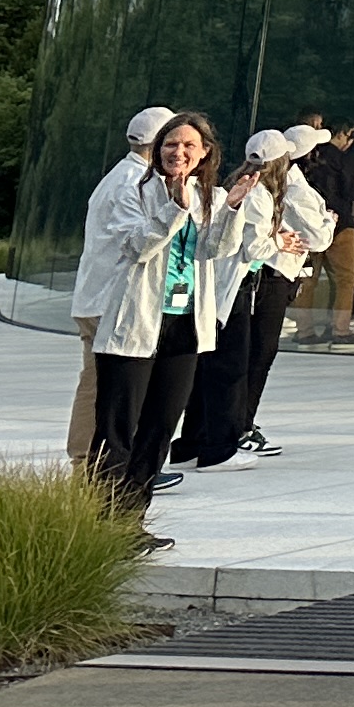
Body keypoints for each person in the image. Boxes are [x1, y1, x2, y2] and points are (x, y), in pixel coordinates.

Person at [88, 110, 240, 530]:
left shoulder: (210, 194)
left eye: (189, 145)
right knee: (117, 429)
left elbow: (216, 251)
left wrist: (234, 209)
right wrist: (174, 208)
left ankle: (131, 522)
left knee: (158, 429)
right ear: (156, 151)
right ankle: (101, 523)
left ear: (205, 152)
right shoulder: (133, 189)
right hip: (136, 322)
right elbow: (137, 246)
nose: (179, 152)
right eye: (171, 144)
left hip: (185, 325)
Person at [183, 127, 335, 466]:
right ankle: (221, 444)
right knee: (234, 366)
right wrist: (281, 241)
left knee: (221, 365)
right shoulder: (262, 194)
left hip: (236, 285)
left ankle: (194, 443)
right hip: (242, 286)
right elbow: (254, 245)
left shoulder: (246, 187)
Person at [68, 104, 173, 464]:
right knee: (100, 388)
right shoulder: (134, 184)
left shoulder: (122, 176)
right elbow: (139, 243)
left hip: (100, 298)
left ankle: (99, 463)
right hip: (110, 302)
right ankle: (87, 465)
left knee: (102, 386)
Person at [298, 117, 354, 338]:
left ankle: (304, 330)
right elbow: (348, 190)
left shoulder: (308, 157)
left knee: (308, 279)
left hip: (309, 223)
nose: (351, 142)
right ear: (341, 134)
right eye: (351, 136)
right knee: (346, 279)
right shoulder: (343, 160)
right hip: (340, 224)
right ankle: (340, 329)